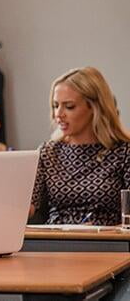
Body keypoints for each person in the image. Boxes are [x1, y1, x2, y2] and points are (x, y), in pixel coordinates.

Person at [29, 67, 130, 225]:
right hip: (55, 242)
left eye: (69, 106)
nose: (59, 114)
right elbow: (26, 207)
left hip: (107, 243)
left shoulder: (123, 151)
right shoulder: (48, 152)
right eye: (56, 106)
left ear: (94, 107)